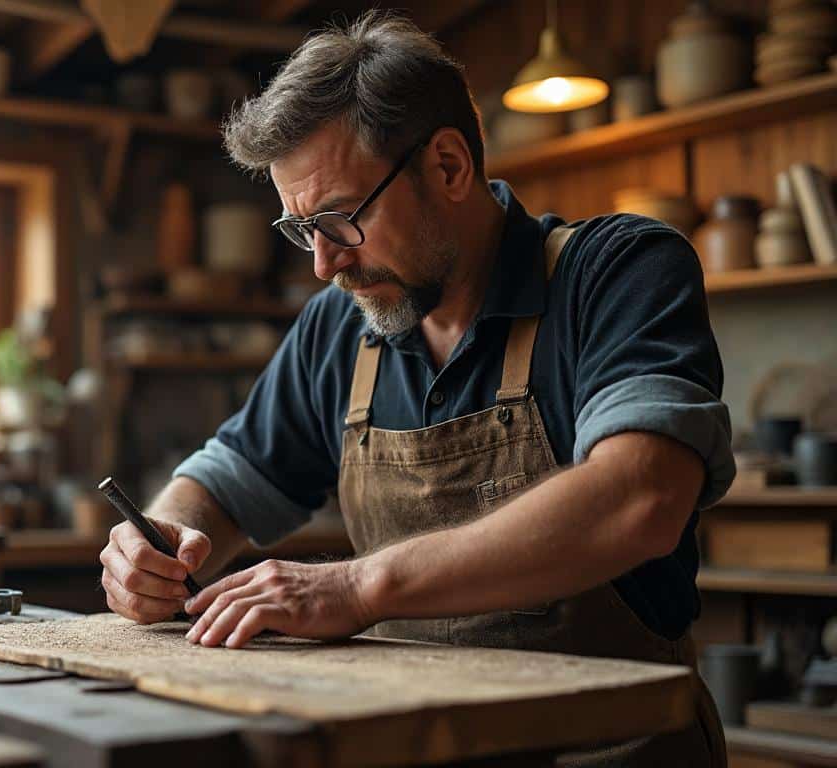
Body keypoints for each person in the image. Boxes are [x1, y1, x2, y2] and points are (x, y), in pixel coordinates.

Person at [98, 10, 733, 765]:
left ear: (448, 167)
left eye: (339, 218)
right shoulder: (339, 328)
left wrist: (360, 588)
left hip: (613, 751)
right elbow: (224, 482)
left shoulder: (617, 271)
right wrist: (157, 544)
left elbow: (641, 497)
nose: (323, 266)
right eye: (302, 230)